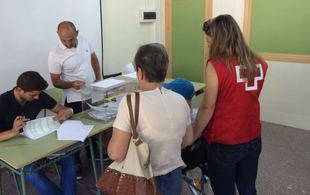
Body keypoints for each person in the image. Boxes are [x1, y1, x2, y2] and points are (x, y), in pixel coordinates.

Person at [194, 14, 268, 195]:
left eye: (209, 39)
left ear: (218, 38)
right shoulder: (259, 62)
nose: (208, 43)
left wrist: (194, 134)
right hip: (252, 136)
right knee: (248, 187)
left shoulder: (215, 65)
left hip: (225, 140)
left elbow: (207, 107)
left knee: (224, 190)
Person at [107, 43, 194, 195]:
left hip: (143, 177)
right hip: (174, 175)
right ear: (164, 69)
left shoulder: (130, 102)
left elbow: (116, 154)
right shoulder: (180, 99)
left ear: (139, 72)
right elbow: (188, 139)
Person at [0, 71, 76, 195]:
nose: (37, 98)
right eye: (32, 95)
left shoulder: (39, 95)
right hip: (10, 147)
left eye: (38, 94)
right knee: (33, 174)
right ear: (19, 90)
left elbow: (62, 109)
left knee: (69, 160)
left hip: (35, 140)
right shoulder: (3, 102)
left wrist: (68, 111)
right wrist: (13, 131)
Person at [48, 21, 102, 178]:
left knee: (94, 122)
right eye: (63, 40)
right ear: (58, 35)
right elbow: (55, 81)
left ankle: (94, 152)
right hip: (73, 97)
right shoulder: (55, 54)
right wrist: (71, 84)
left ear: (76, 33)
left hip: (92, 92)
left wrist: (99, 79)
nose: (67, 43)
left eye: (70, 39)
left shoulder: (84, 40)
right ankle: (77, 163)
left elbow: (94, 59)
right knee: (75, 130)